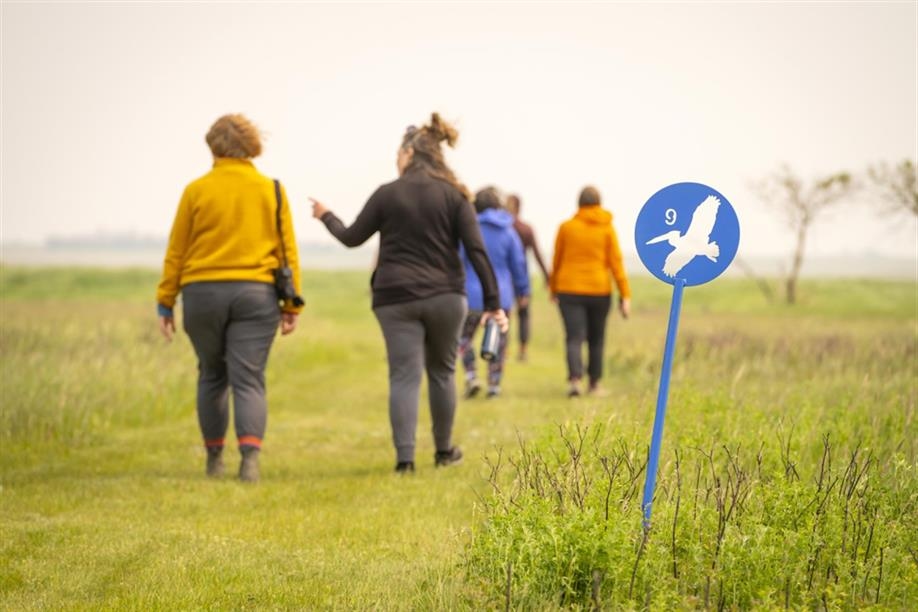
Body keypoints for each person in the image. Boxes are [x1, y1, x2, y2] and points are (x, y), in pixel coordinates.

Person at [310, 113, 508, 474]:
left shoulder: (388, 193)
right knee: (443, 372)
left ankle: (405, 461)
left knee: (404, 375)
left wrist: (326, 215)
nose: (395, 159)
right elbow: (477, 252)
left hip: (395, 297)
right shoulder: (455, 196)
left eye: (397, 153)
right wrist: (494, 305)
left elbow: (352, 237)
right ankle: (444, 452)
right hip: (446, 297)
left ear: (409, 152)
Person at [156, 113, 303, 483]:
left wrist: (165, 301)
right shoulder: (271, 189)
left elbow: (177, 251)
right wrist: (291, 303)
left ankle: (214, 460)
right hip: (256, 294)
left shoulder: (195, 190)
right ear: (251, 145)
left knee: (212, 375)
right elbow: (288, 251)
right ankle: (249, 462)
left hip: (201, 293)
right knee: (249, 379)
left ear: (213, 147)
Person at [549, 185, 630, 397]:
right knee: (597, 338)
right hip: (599, 290)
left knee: (574, 336)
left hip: (569, 289)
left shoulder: (566, 227)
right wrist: (625, 295)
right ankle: (594, 384)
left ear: (579, 203)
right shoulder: (607, 229)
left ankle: (575, 380)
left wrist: (553, 287)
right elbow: (617, 264)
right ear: (599, 203)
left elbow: (557, 259)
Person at [458, 187, 530, 398]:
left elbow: (458, 260)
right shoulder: (508, 232)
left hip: (470, 295)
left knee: (463, 338)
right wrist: (523, 290)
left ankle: (471, 376)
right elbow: (518, 264)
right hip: (500, 297)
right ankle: (494, 385)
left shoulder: (468, 229)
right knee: (498, 341)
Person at [506, 194, 550, 362]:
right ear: (520, 207)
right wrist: (547, 277)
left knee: (504, 313)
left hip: (504, 277)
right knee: (524, 314)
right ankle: (523, 350)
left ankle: (504, 350)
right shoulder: (526, 229)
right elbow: (537, 254)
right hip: (522, 277)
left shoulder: (503, 228)